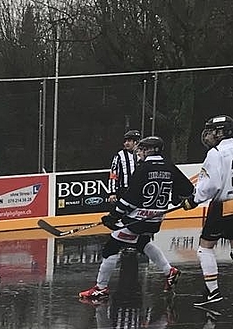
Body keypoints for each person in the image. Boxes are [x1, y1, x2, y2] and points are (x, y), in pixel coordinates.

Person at [79, 136, 194, 300]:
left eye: (142, 149)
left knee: (111, 247)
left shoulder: (142, 169)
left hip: (137, 219)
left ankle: (101, 288)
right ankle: (170, 271)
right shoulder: (170, 167)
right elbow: (188, 190)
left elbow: (130, 199)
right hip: (156, 219)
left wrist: (114, 215)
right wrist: (176, 198)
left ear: (150, 150)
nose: (139, 152)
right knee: (142, 242)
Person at [180, 114, 233, 307]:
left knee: (205, 248)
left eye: (212, 131)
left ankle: (213, 292)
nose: (208, 135)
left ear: (221, 132)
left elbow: (210, 185)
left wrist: (193, 201)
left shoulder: (216, 152)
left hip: (224, 206)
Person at [108, 129, 141, 204]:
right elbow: (113, 174)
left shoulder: (142, 155)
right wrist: (112, 192)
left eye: (129, 141)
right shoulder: (120, 155)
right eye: (125, 141)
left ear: (136, 142)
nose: (126, 143)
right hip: (124, 190)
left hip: (139, 190)